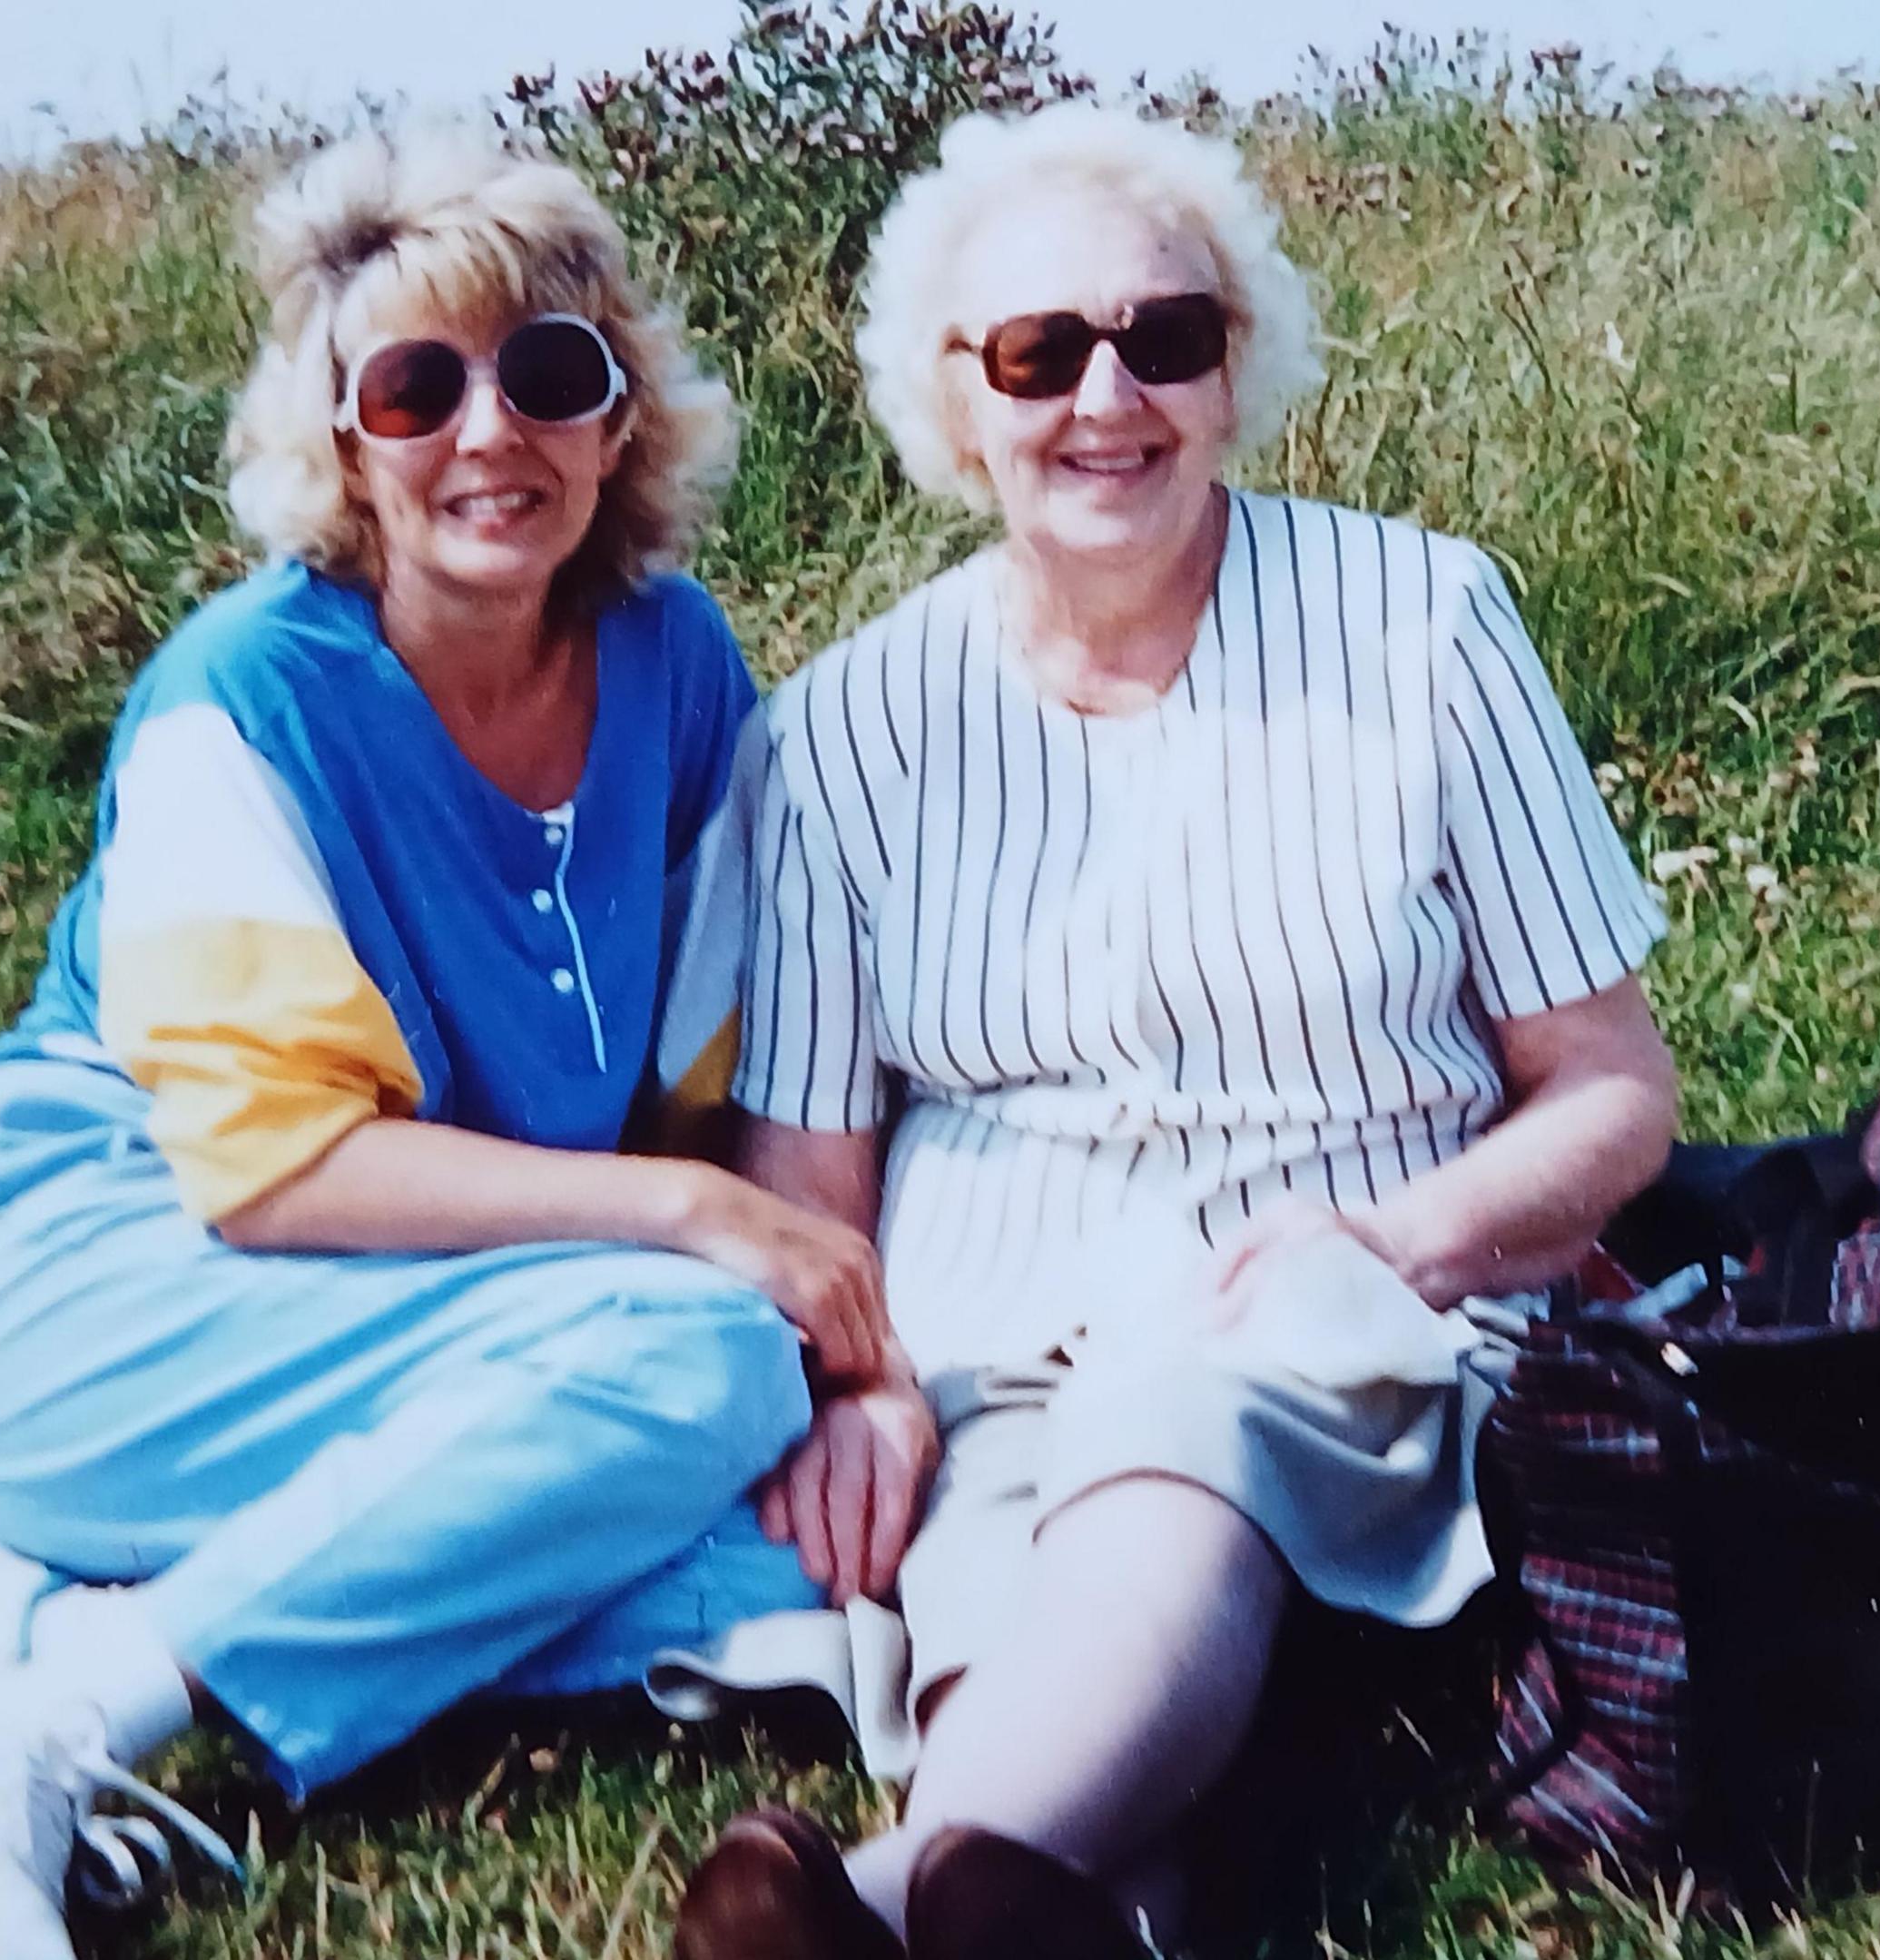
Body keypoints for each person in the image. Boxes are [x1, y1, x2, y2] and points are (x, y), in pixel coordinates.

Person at [0, 128, 895, 1960]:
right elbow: (271, 1170)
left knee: (781, 1518)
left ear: (617, 417)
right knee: (701, 1374)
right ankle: (42, 1725)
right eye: (418, 387)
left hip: (396, 1296)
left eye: (548, 377)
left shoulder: (675, 664)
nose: (489, 435)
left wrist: (837, 1342)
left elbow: (709, 1081)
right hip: (72, 1271)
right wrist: (692, 1229)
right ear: (342, 437)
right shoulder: (244, 697)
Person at [671, 104, 1684, 1960]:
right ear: (958, 407)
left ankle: (873, 1907)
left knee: (1174, 1426)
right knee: (1016, 1644)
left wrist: (1395, 1239)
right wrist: (873, 1385)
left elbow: (1613, 1093)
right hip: (995, 1364)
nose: (1107, 397)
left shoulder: (1424, 628)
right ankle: (1049, 1928)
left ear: (1237, 375)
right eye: (1041, 354)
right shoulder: (840, 737)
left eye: (1166, 336)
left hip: (1346, 1323)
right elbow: (810, 1177)